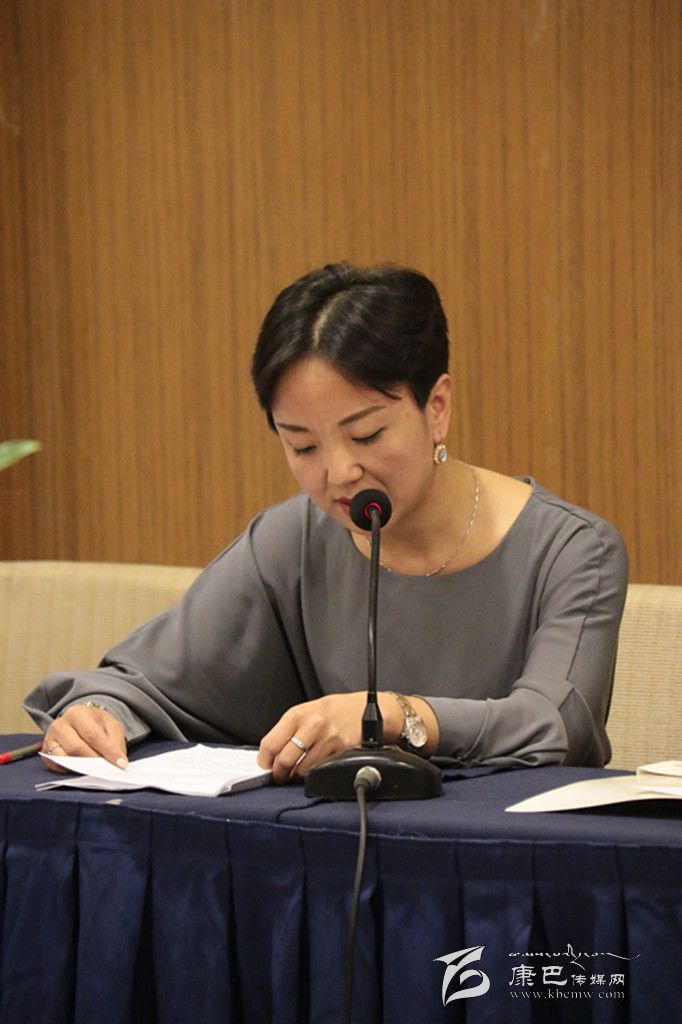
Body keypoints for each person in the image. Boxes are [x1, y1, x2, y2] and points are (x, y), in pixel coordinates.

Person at [24, 263, 628, 783]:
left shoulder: (571, 549)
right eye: (303, 446)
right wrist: (97, 715)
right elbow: (145, 680)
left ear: (437, 407)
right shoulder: (292, 542)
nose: (339, 473)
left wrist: (395, 716)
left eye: (366, 435)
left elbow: (559, 724)